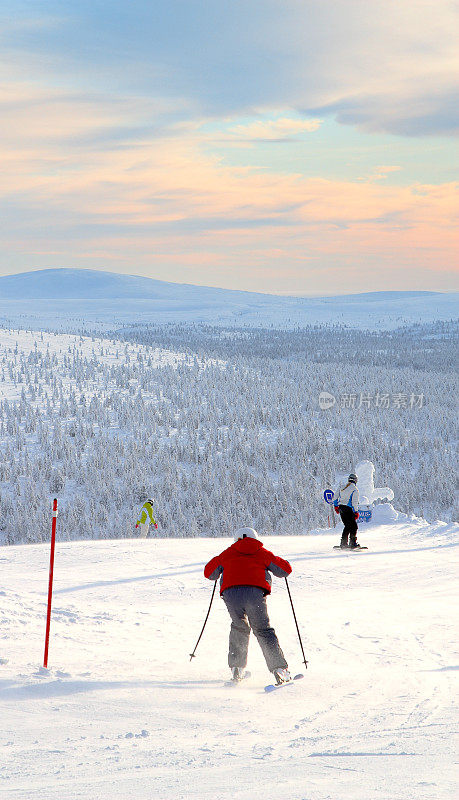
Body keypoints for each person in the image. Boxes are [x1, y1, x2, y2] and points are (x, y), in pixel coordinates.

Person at [204, 527, 292, 684]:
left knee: (239, 627)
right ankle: (279, 669)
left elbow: (209, 573)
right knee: (263, 630)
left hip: (231, 595)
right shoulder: (261, 552)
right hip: (255, 594)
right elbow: (285, 570)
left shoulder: (228, 553)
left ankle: (237, 669)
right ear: (255, 538)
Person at [334, 473, 360, 548]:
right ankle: (352, 543)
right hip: (348, 509)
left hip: (341, 508)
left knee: (347, 526)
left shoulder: (342, 487)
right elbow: (354, 502)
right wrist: (356, 512)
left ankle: (343, 543)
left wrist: (336, 507)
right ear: (355, 480)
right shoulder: (355, 489)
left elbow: (335, 498)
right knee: (354, 526)